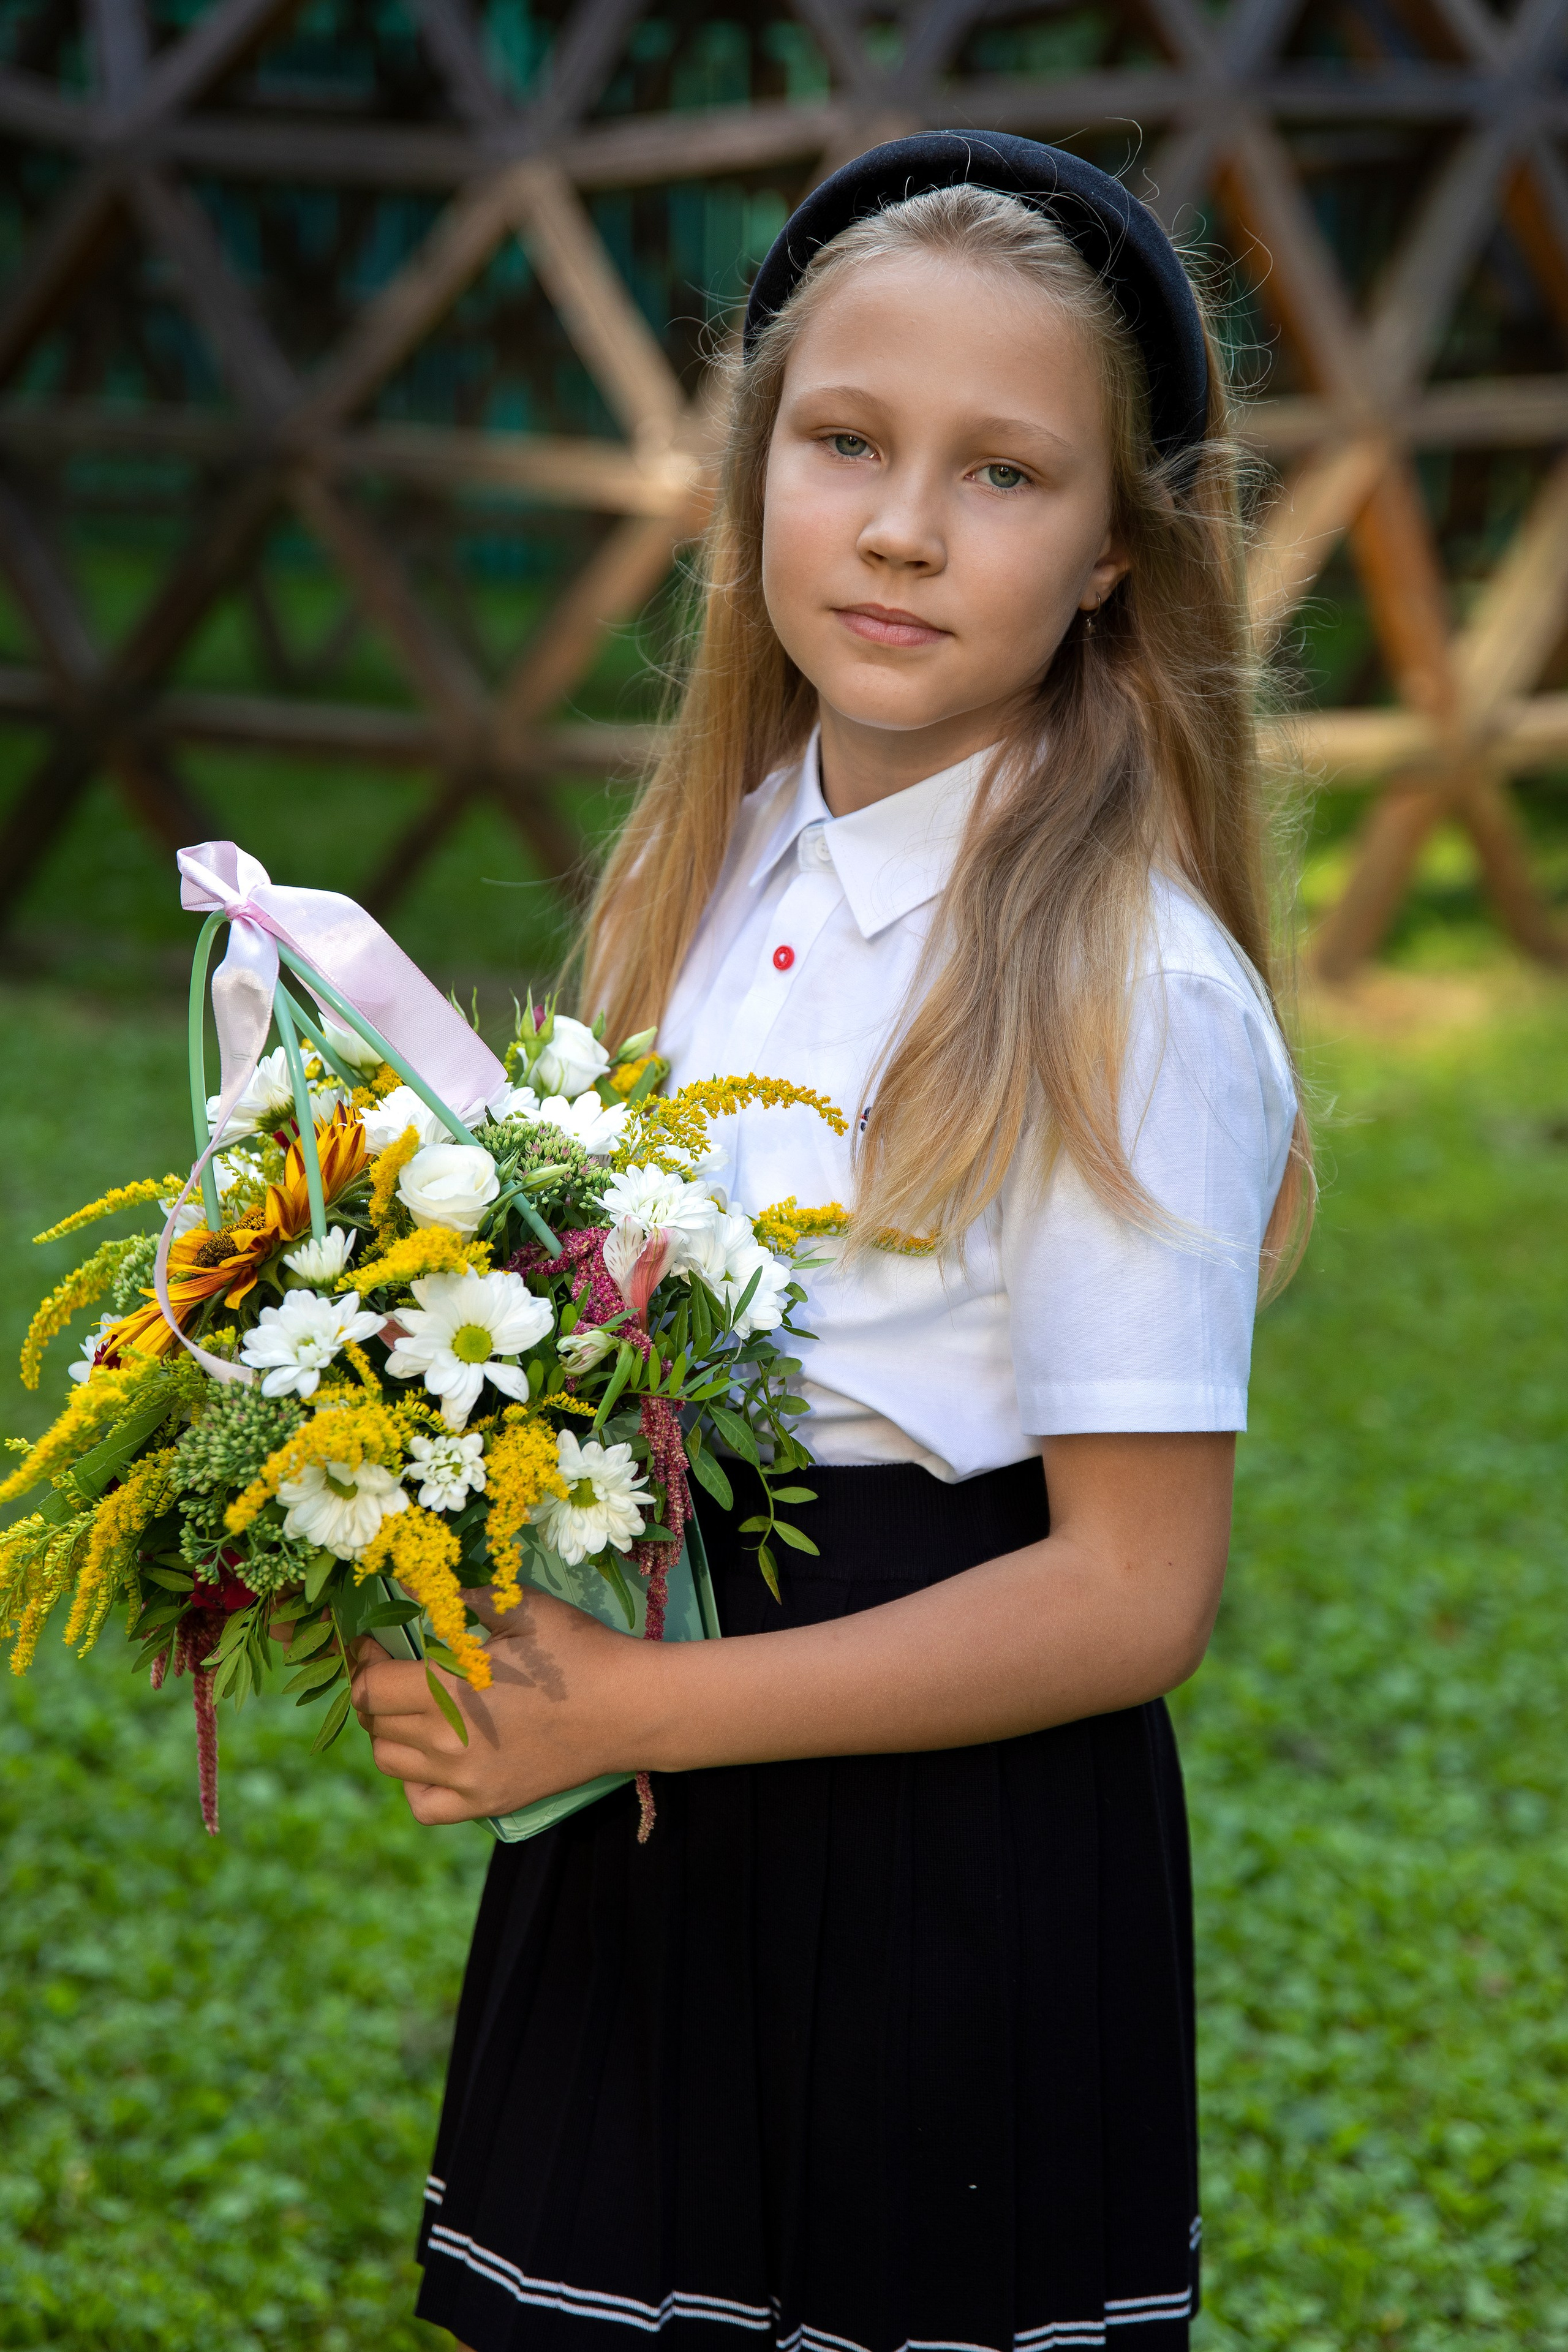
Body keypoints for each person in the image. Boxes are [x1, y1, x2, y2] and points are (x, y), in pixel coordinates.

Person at [350, 131, 1311, 2352]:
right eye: (848, 442)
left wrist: (637, 1698)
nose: (898, 525)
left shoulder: (1123, 987)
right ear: (752, 465)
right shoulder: (715, 874)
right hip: (661, 1804)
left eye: (1004, 473)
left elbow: (1133, 1593)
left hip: (936, 1860)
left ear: (1109, 557)